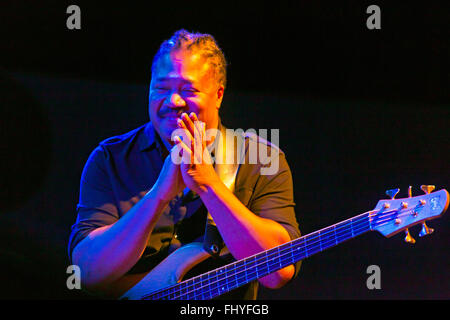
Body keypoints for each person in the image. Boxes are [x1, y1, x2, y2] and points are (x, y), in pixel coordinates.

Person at [68, 29, 301, 300]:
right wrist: (159, 195)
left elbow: (278, 273)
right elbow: (87, 274)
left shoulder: (261, 160)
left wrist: (209, 185)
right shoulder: (111, 159)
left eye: (188, 90)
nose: (173, 102)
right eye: (161, 89)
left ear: (218, 95)